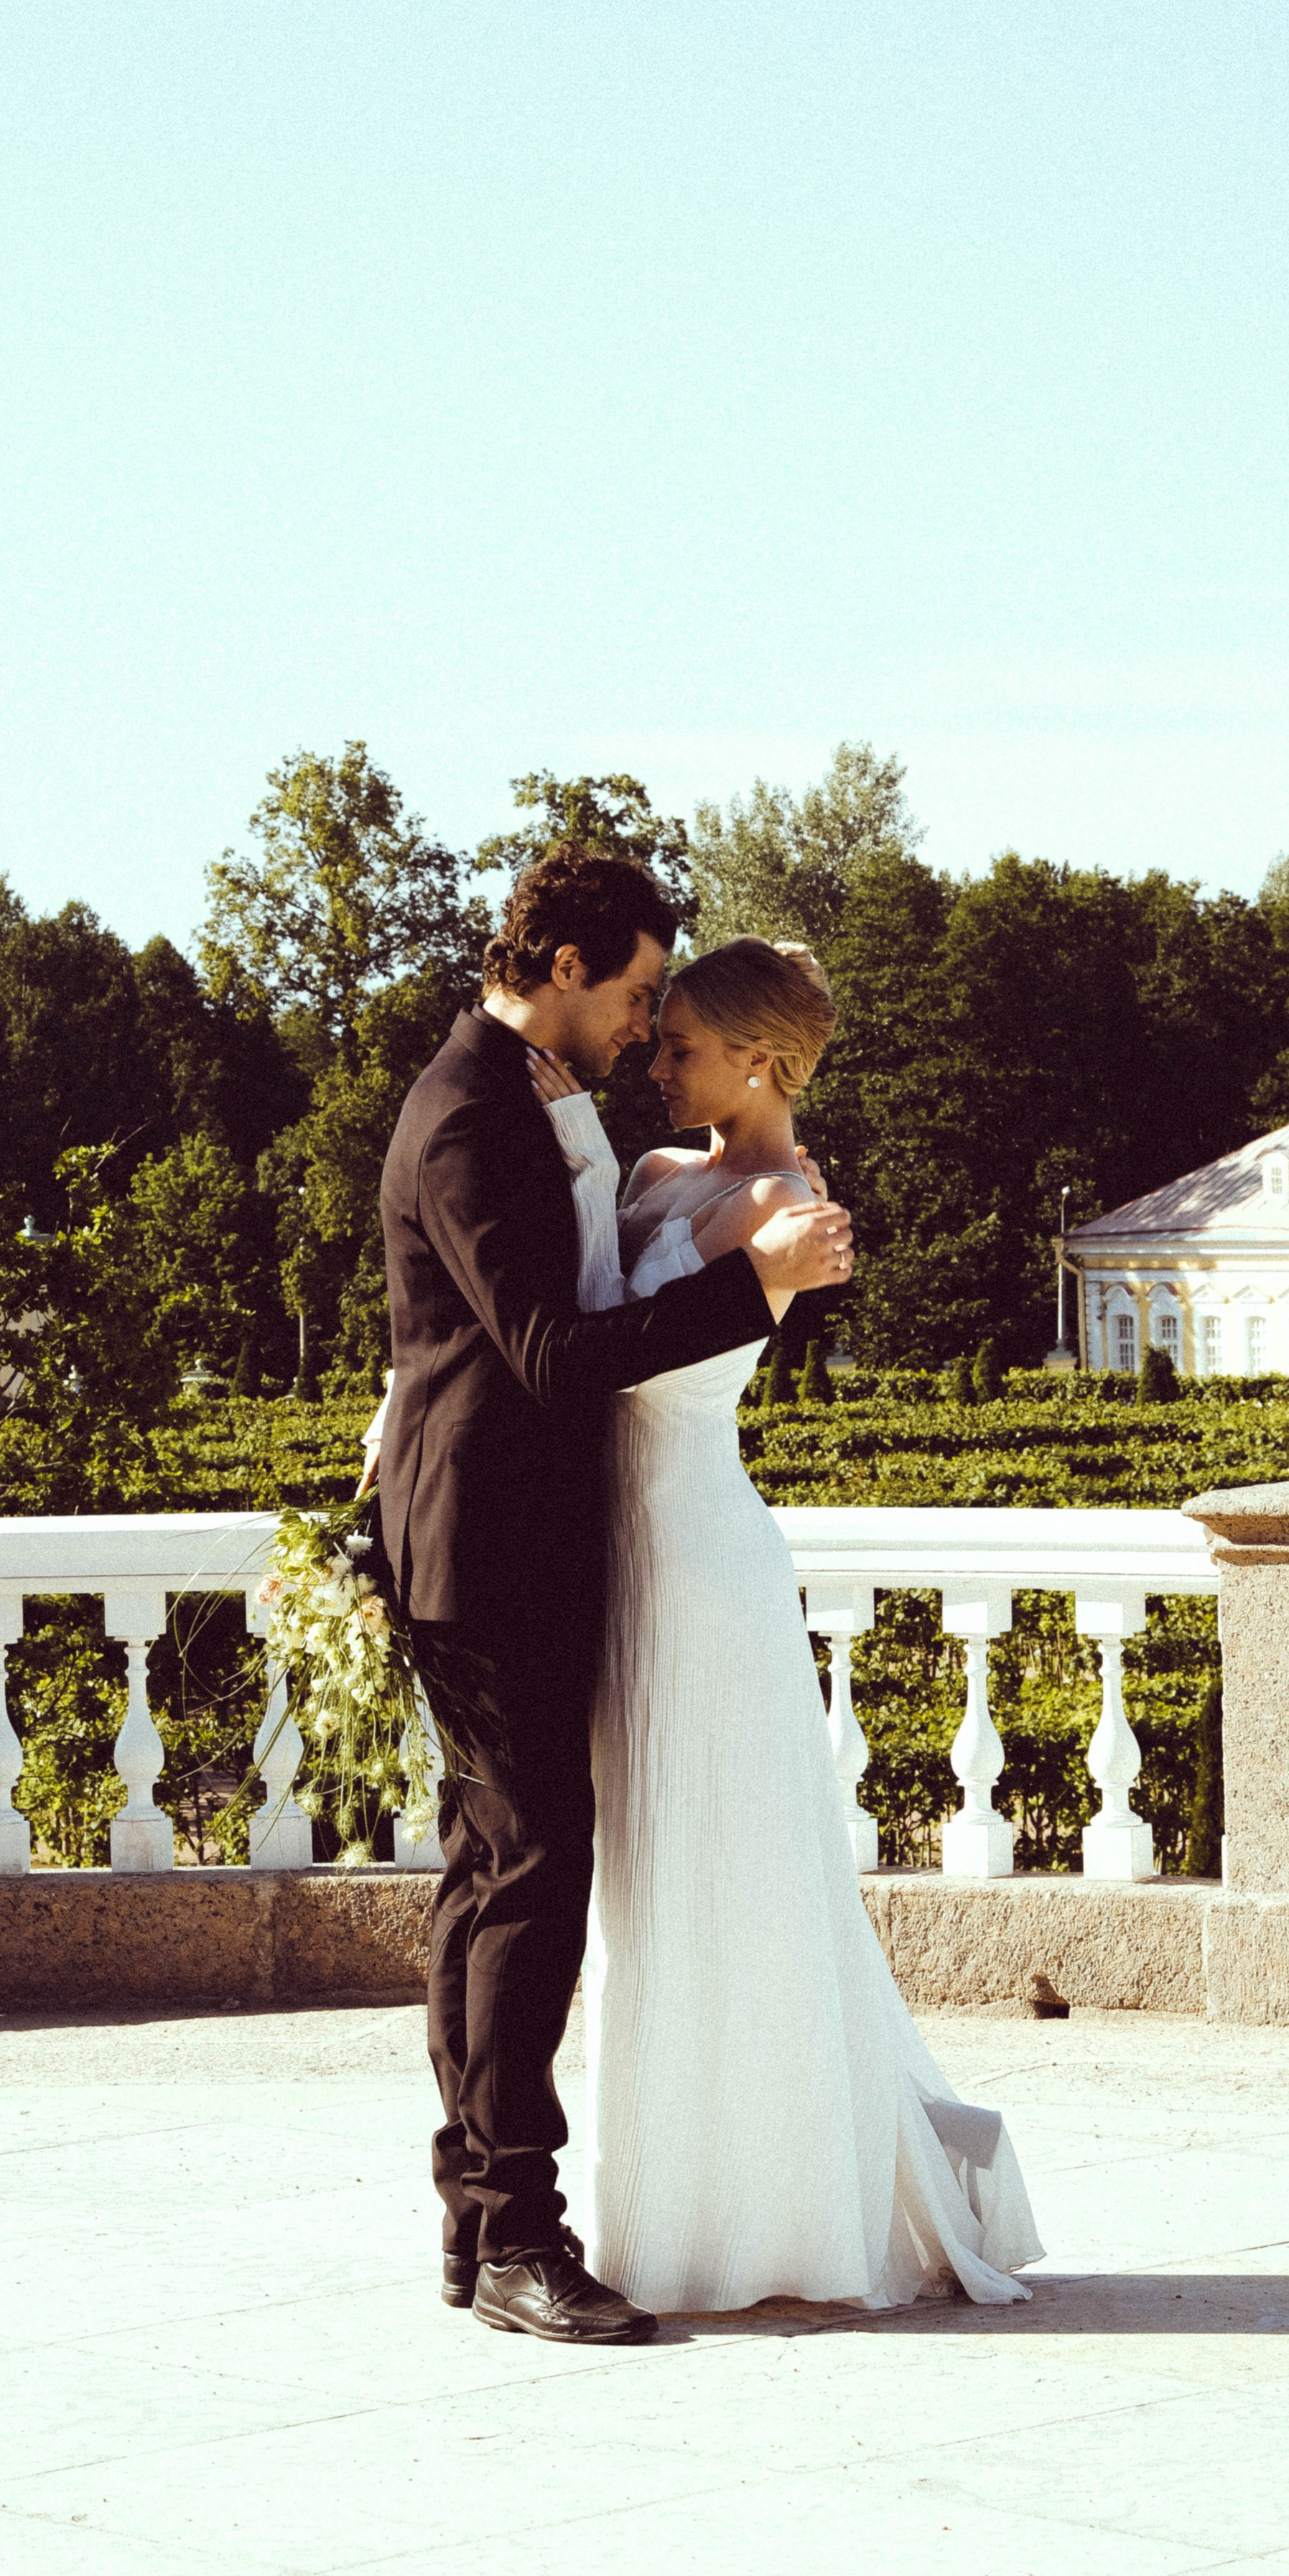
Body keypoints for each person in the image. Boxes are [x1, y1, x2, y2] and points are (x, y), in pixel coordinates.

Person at [374, 852, 855, 2347]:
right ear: (566, 963)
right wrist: (753, 1286)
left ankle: (481, 2228)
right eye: (641, 989)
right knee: (525, 1889)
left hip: (532, 1543)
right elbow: (542, 1351)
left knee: (494, 1882)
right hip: (488, 1552)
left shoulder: (522, 1096)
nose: (649, 1027)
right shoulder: (468, 1111)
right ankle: (515, 2235)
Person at [529, 936, 1043, 2312]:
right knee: (649, 1878)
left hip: (702, 1561)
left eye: (682, 1041)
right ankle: (675, 2198)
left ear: (761, 1059)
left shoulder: (792, 1207)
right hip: (621, 1555)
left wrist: (766, 1267)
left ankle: (770, 2209)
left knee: (737, 1872)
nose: (656, 1057)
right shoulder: (652, 1178)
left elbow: (666, 1359)